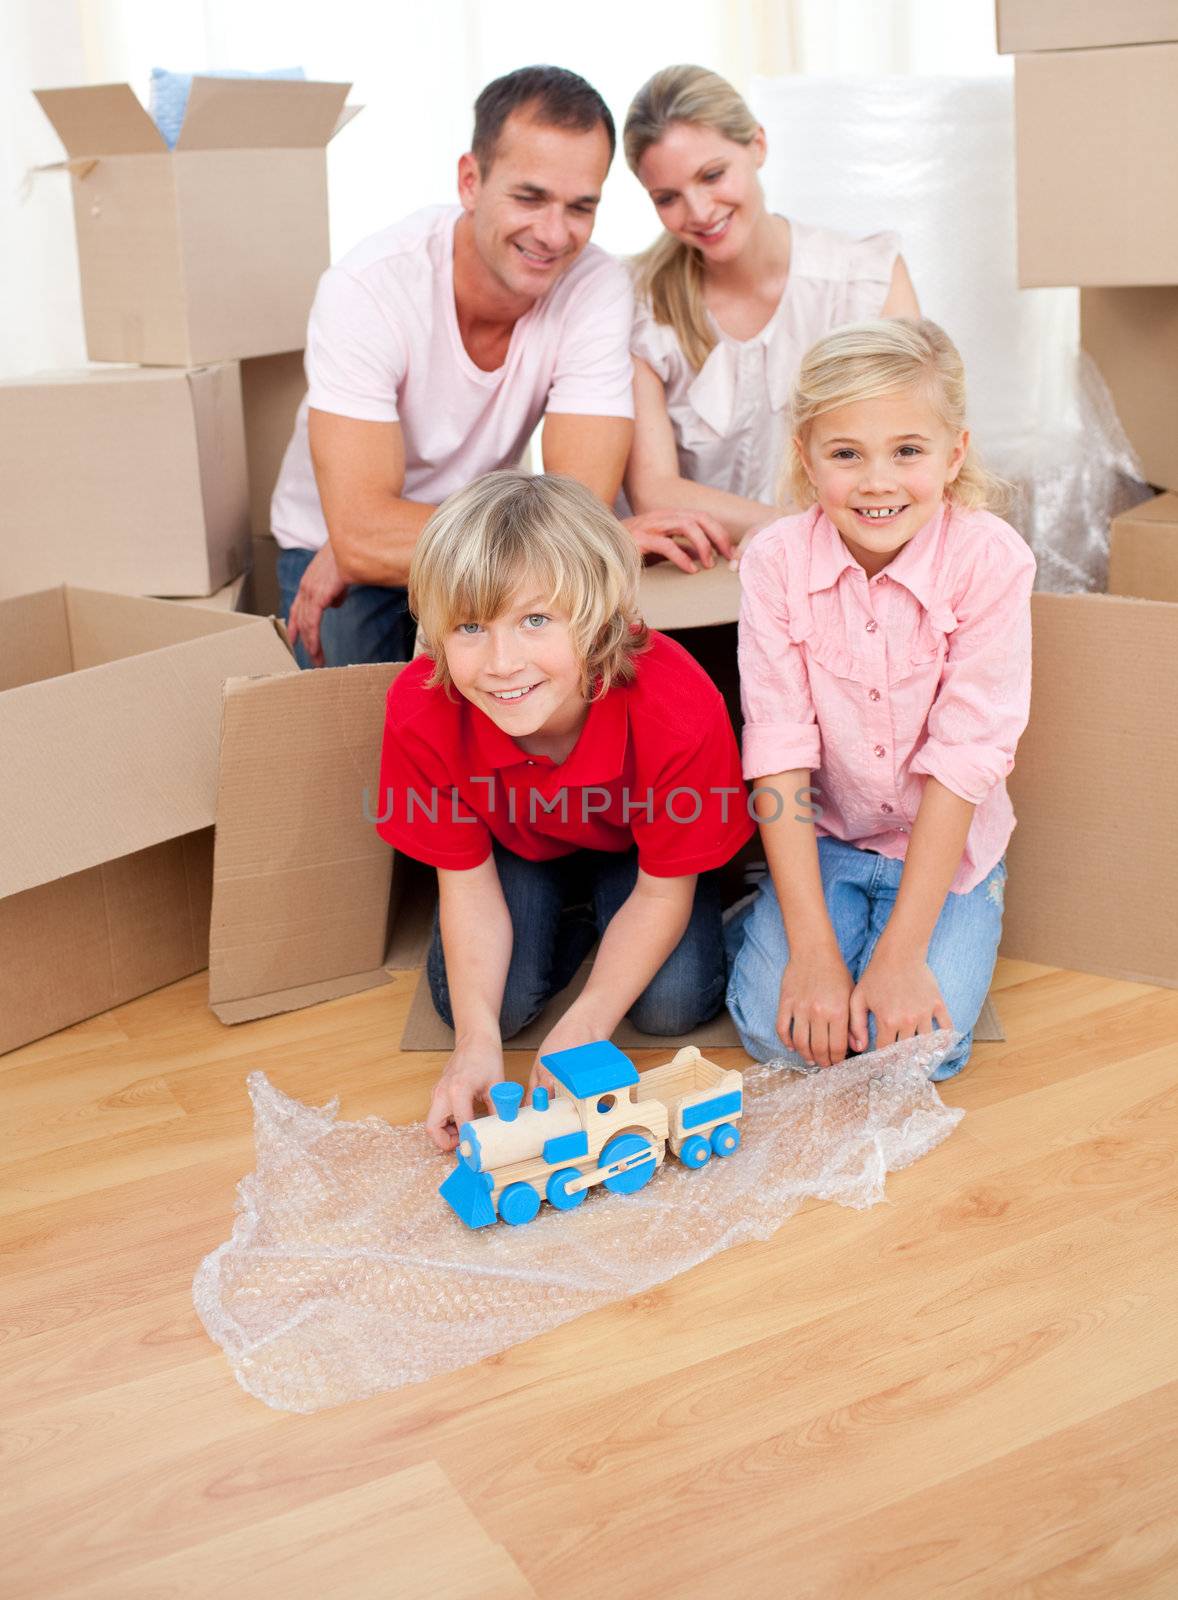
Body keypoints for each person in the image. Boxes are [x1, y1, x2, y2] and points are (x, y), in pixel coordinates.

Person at [272, 64, 733, 669]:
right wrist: (362, 539)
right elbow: (361, 535)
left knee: (553, 695)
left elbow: (578, 510)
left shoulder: (595, 286)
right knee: (360, 746)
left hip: (487, 544)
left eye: (580, 207)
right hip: (339, 553)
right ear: (470, 181)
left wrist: (383, 533)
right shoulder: (369, 287)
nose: (553, 234)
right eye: (529, 197)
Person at [373, 471, 754, 1150]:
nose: (501, 662)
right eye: (469, 627)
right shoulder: (421, 708)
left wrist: (586, 1022)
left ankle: (598, 927)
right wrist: (474, 1043)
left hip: (640, 856)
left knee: (673, 1005)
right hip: (518, 848)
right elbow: (465, 884)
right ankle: (573, 922)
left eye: (536, 620)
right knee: (494, 1008)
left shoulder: (677, 706)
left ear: (599, 615)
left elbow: (663, 890)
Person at [726, 317, 1035, 1083]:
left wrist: (899, 957)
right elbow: (779, 753)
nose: (876, 482)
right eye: (845, 454)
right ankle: (774, 920)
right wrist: (811, 950)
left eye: (907, 451)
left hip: (946, 851)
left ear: (954, 452)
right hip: (827, 837)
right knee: (780, 1037)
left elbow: (965, 759)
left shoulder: (990, 559)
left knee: (916, 1054)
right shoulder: (773, 563)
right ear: (806, 458)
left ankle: (889, 942)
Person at [620, 64, 921, 542]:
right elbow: (655, 491)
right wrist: (795, 533)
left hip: (848, 565)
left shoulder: (864, 279)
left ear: (757, 145)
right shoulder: (639, 302)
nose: (699, 212)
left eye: (713, 175)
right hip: (698, 582)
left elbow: (909, 449)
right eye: (668, 197)